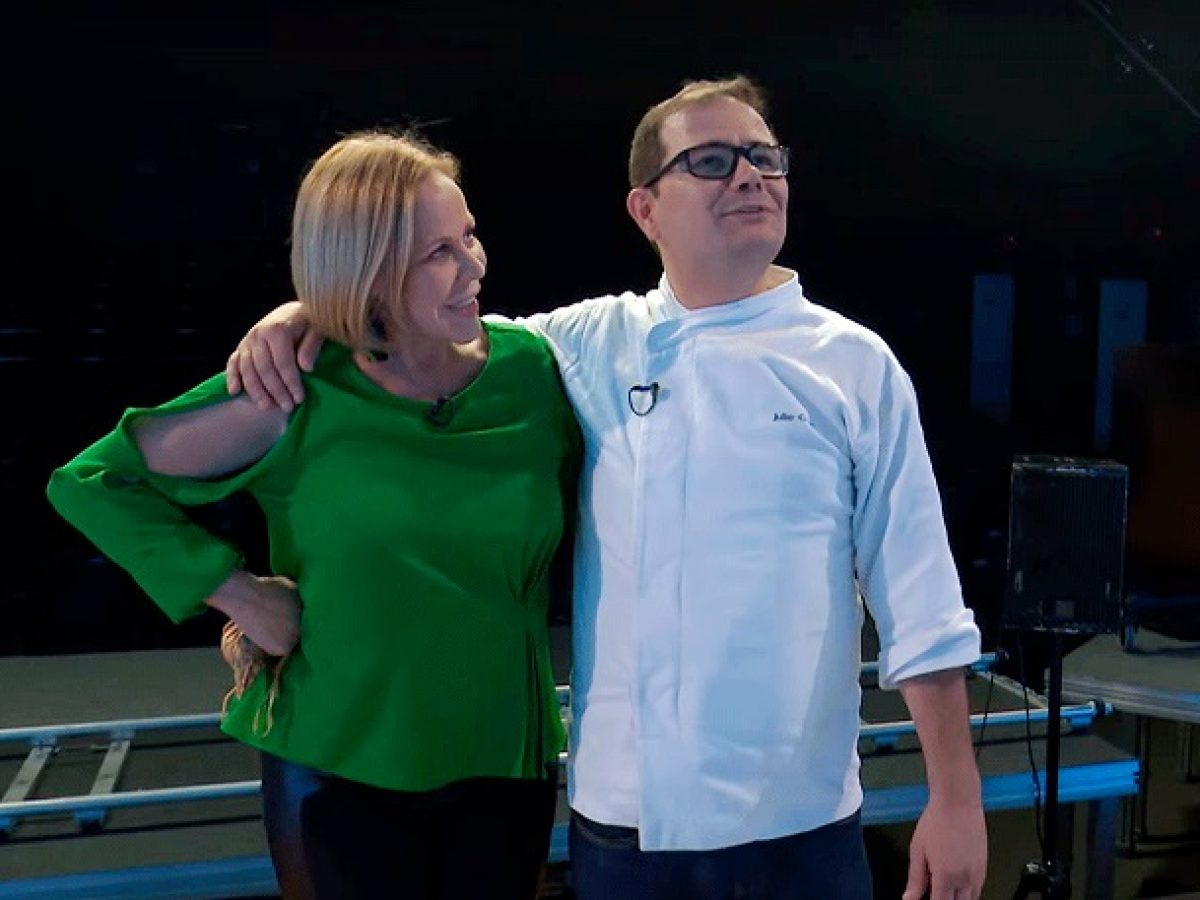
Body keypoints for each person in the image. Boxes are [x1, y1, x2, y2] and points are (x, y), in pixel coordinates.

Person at [228, 77, 988, 900]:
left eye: (765, 158)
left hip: (802, 826)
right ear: (645, 210)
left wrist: (956, 800)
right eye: (711, 161)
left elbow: (920, 601)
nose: (750, 176)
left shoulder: (855, 366)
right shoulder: (581, 346)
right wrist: (310, 313)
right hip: (625, 829)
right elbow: (423, 332)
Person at [47, 130, 580, 900]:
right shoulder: (294, 383)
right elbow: (90, 483)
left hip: (503, 763)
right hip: (336, 771)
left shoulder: (534, 372)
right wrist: (238, 593)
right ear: (365, 272)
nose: (474, 266)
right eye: (438, 252)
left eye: (468, 235)